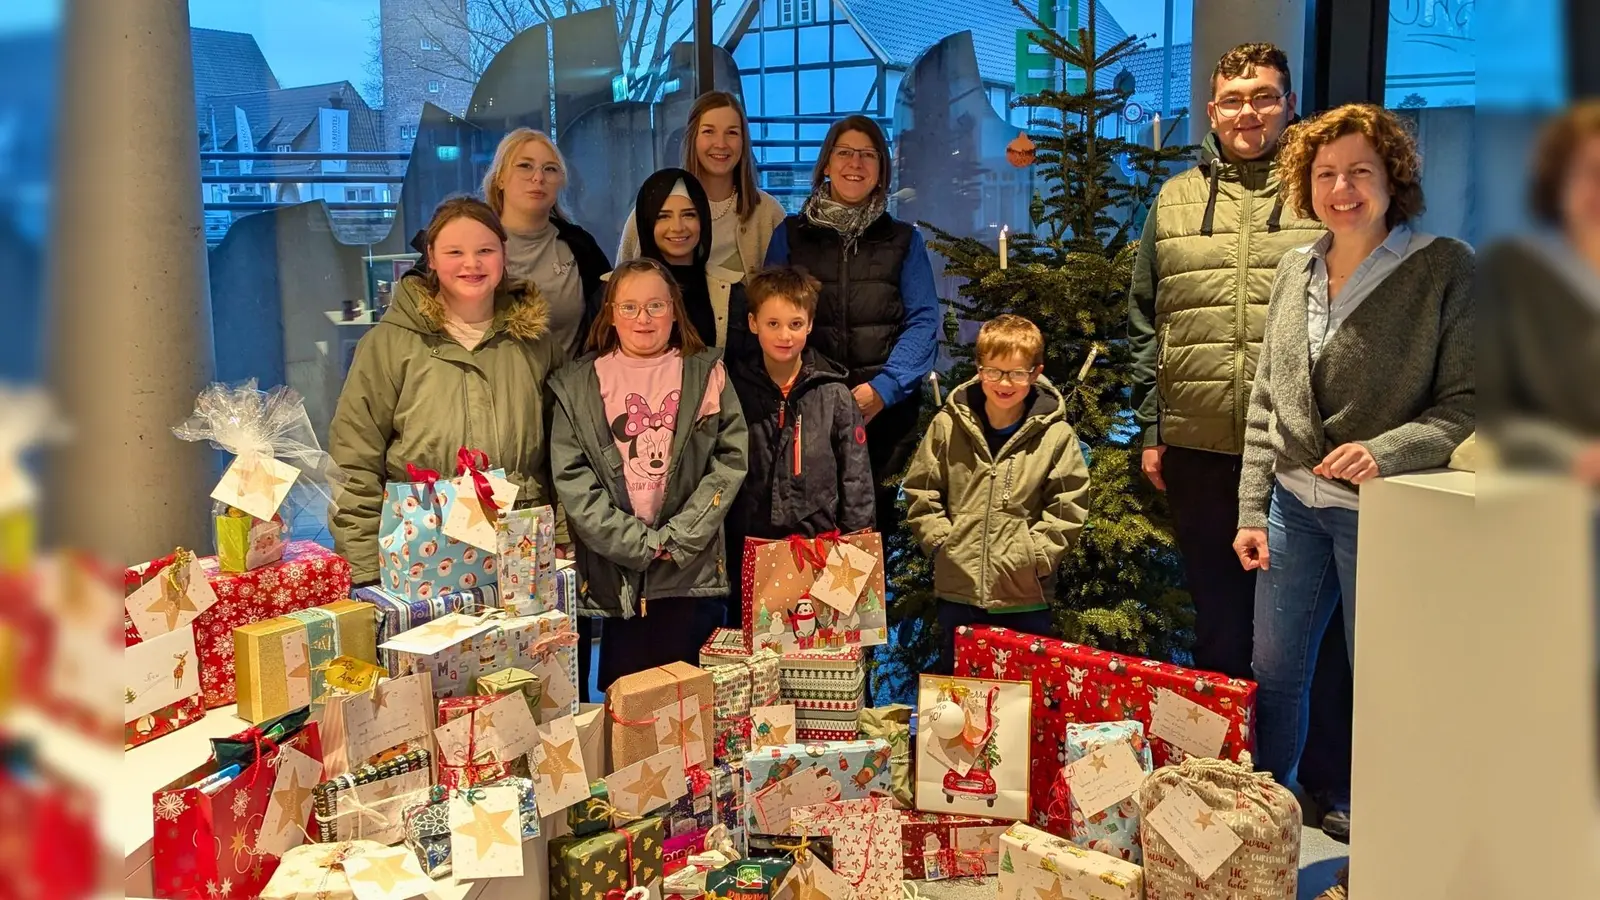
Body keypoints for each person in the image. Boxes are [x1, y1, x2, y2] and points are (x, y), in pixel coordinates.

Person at [1125, 44, 1354, 839]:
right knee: (1220, 624)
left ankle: (1326, 783)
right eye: (1231, 99)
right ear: (1211, 110)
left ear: (1290, 103)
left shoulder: (1321, 196)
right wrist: (1153, 428)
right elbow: (1141, 321)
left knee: (1309, 630)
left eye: (1263, 96)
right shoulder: (1175, 200)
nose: (1247, 111)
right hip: (1196, 446)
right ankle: (1231, 777)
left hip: (1300, 455)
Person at [1233, 104, 1475, 835]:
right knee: (1275, 676)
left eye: (1360, 172)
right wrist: (1250, 509)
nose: (1342, 188)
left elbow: (1467, 402)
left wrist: (1386, 450)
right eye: (1326, 173)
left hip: (1386, 517)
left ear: (1392, 179)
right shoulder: (1292, 268)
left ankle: (1394, 835)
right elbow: (1265, 398)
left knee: (1386, 684)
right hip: (1291, 508)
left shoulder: (1444, 268)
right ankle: (1262, 825)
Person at [330, 196, 564, 586]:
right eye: (455, 251)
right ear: (432, 258)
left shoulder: (535, 343)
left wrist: (563, 535)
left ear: (503, 255)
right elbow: (355, 460)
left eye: (485, 250)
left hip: (521, 545)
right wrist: (364, 566)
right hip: (420, 549)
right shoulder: (389, 345)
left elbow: (565, 451)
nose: (471, 264)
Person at [549, 258, 748, 690]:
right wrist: (636, 544)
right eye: (630, 307)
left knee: (695, 708)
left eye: (656, 306)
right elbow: (573, 480)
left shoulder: (706, 371)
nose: (644, 319)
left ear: (674, 310)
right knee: (631, 717)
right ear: (611, 313)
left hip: (689, 570)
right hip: (617, 577)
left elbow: (729, 461)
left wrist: (678, 537)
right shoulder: (578, 383)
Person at [764, 115, 940, 537]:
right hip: (804, 413)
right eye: (844, 153)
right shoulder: (789, 235)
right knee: (805, 538)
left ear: (882, 169)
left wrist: (886, 388)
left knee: (871, 537)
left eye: (868, 155)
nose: (855, 163)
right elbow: (769, 317)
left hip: (882, 418)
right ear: (826, 163)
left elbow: (923, 321)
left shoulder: (903, 240)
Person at [902, 315, 1091, 675]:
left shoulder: (1056, 435)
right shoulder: (948, 424)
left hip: (1024, 593)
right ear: (979, 369)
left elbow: (1069, 505)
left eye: (1017, 374)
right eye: (994, 372)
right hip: (959, 589)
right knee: (959, 692)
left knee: (1022, 696)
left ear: (1035, 373)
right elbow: (921, 489)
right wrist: (944, 542)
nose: (1004, 383)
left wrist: (1034, 555)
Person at [724, 266, 876, 632]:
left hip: (822, 548)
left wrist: (854, 552)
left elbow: (855, 479)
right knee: (760, 656)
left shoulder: (834, 393)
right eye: (773, 323)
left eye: (795, 324)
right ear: (753, 322)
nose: (784, 335)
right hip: (750, 548)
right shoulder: (732, 388)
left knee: (822, 652)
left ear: (809, 325)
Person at [1480, 100, 1600, 486]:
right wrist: (1574, 457)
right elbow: (1494, 411)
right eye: (1593, 173)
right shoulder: (1513, 273)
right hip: (1559, 499)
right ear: (1558, 179)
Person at [617, 91, 786, 280]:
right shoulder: (652, 205)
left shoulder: (768, 213)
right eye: (708, 131)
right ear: (692, 138)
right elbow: (620, 287)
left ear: (744, 141)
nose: (721, 144)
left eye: (732, 132)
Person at [478, 128, 611, 358]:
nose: (538, 178)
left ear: (560, 182)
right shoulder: (469, 243)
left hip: (567, 389)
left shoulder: (581, 246)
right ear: (499, 178)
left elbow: (609, 319)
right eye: (525, 166)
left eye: (550, 169)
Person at [621, 168, 751, 354]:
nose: (677, 227)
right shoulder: (614, 291)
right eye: (663, 216)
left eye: (689, 214)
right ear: (647, 223)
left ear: (703, 219)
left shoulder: (732, 291)